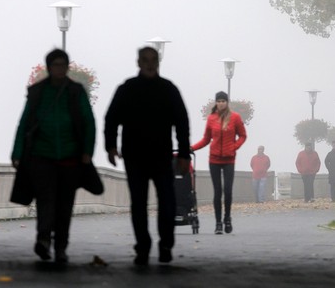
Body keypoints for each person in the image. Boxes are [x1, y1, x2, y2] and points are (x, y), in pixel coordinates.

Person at [104, 46, 190, 265]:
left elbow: (182, 123)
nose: (150, 64)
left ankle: (165, 244)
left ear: (158, 62)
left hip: (161, 155)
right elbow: (111, 118)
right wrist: (111, 146)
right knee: (139, 203)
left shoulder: (168, 89)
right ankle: (143, 246)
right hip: (135, 156)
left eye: (153, 60)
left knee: (167, 202)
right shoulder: (127, 89)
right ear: (139, 62)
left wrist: (183, 154)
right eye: (146, 60)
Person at [11, 49, 95, 264]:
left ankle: (60, 246)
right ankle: (43, 239)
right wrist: (17, 151)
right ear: (49, 67)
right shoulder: (38, 92)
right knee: (45, 201)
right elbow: (25, 122)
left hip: (70, 158)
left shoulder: (76, 91)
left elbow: (88, 122)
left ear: (67, 67)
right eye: (55, 64)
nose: (59, 68)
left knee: (65, 205)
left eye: (62, 64)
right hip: (42, 156)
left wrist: (87, 151)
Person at [191, 91, 247, 235]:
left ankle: (227, 218)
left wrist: (234, 147)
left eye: (223, 101)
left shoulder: (235, 118)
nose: (221, 103)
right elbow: (206, 139)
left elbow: (242, 135)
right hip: (214, 159)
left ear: (227, 102)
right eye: (219, 101)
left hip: (229, 159)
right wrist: (191, 148)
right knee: (217, 192)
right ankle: (218, 223)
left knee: (227, 190)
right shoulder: (211, 119)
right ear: (216, 103)